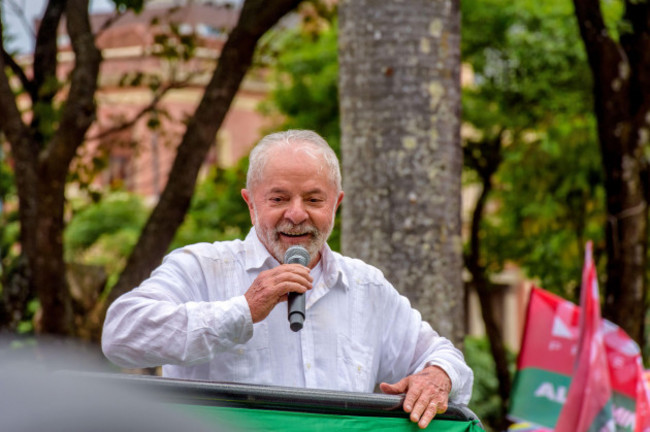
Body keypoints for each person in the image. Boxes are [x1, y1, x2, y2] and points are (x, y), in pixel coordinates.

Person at [102, 129, 473, 429]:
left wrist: (437, 377)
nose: (296, 215)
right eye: (278, 199)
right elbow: (120, 335)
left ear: (336, 205)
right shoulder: (201, 267)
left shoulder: (366, 287)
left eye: (313, 200)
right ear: (250, 204)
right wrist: (243, 310)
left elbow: (444, 356)